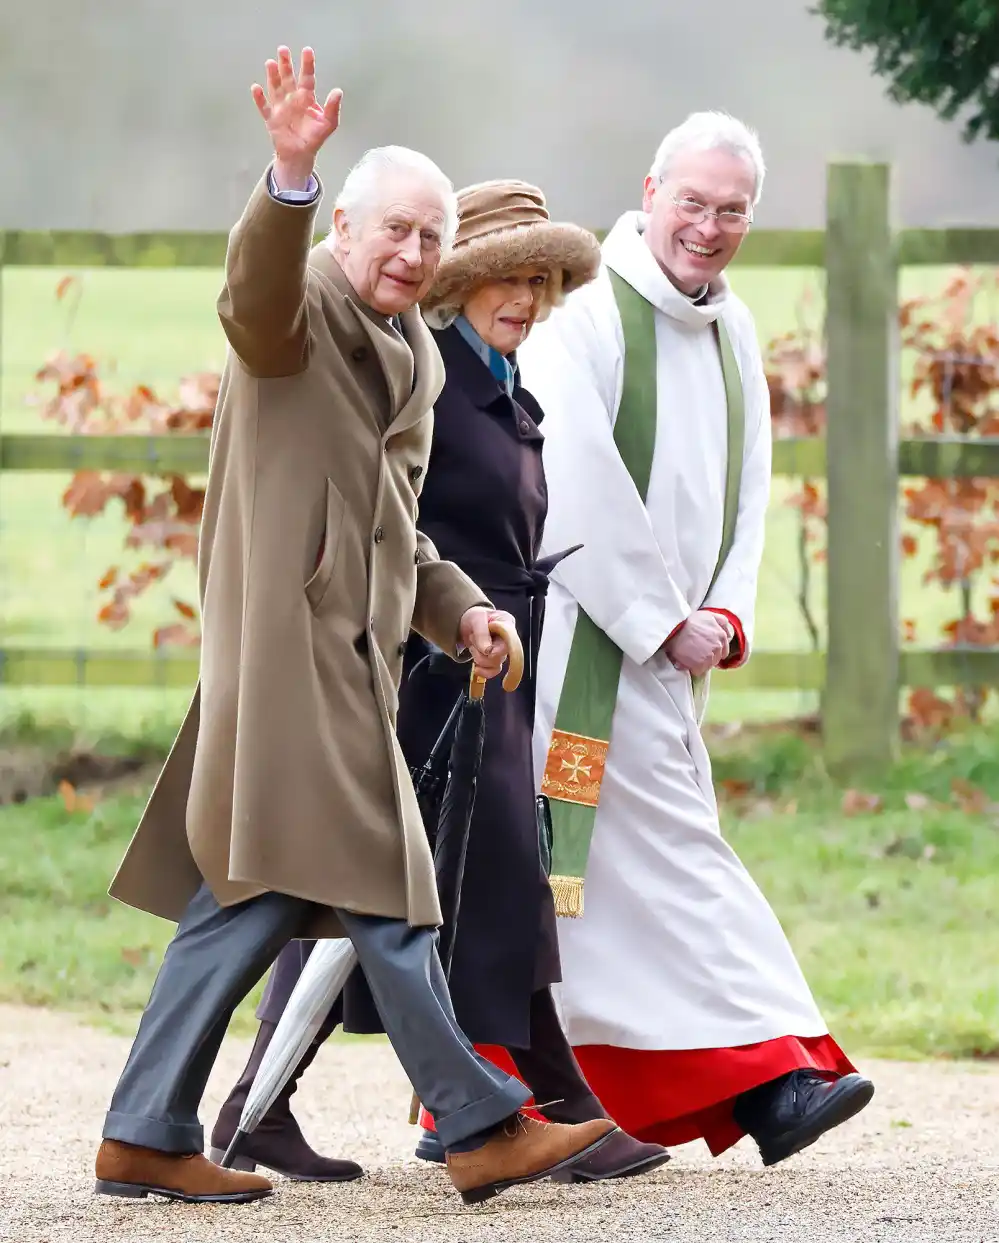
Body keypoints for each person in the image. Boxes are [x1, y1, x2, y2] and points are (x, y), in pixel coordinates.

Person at [91, 46, 617, 1207]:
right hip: (290, 656)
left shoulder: (415, 350)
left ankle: (143, 1130)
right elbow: (251, 297)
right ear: (344, 232)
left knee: (249, 897)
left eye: (431, 237)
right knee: (389, 873)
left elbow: (399, 533)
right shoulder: (298, 316)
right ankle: (480, 1122)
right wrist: (288, 177)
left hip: (358, 659)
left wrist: (464, 609)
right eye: (394, 230)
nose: (414, 253)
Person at [210, 179, 670, 1187]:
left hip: (491, 662)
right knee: (388, 893)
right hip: (426, 675)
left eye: (544, 279)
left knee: (483, 886)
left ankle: (295, 1105)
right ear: (460, 283)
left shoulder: (503, 378)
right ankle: (508, 1105)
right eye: (508, 275)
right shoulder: (430, 381)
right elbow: (387, 526)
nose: (528, 296)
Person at [514, 110, 875, 1167]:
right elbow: (570, 475)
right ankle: (778, 1076)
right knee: (657, 863)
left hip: (672, 661)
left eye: (733, 211)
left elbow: (750, 486)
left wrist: (725, 609)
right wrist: (659, 617)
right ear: (651, 189)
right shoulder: (582, 313)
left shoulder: (735, 326)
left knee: (596, 894)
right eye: (694, 203)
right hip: (580, 648)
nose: (709, 229)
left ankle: (534, 1098)